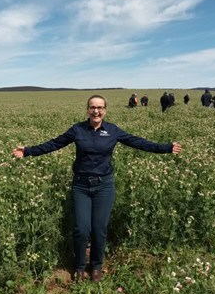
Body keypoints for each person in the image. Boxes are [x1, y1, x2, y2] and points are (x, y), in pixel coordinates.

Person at [12, 95, 182, 283]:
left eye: (100, 107)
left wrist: (166, 148)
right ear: (87, 110)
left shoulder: (113, 131)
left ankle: (96, 266)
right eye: (93, 107)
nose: (96, 111)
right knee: (81, 229)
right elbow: (54, 143)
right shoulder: (77, 130)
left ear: (105, 111)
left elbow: (138, 142)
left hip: (104, 186)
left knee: (99, 228)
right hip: (81, 185)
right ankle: (78, 266)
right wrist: (28, 151)